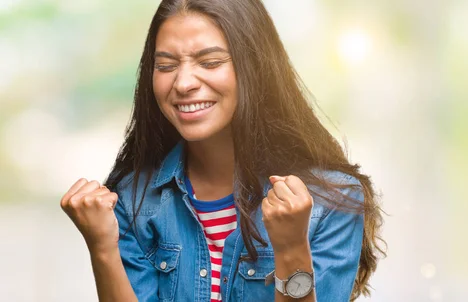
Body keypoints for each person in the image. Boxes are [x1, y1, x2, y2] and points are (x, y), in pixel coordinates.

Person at [60, 0, 385, 301]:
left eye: (210, 61)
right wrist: (102, 248)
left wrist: (290, 249)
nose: (183, 82)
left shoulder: (330, 203)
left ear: (254, 67)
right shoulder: (133, 202)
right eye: (166, 65)